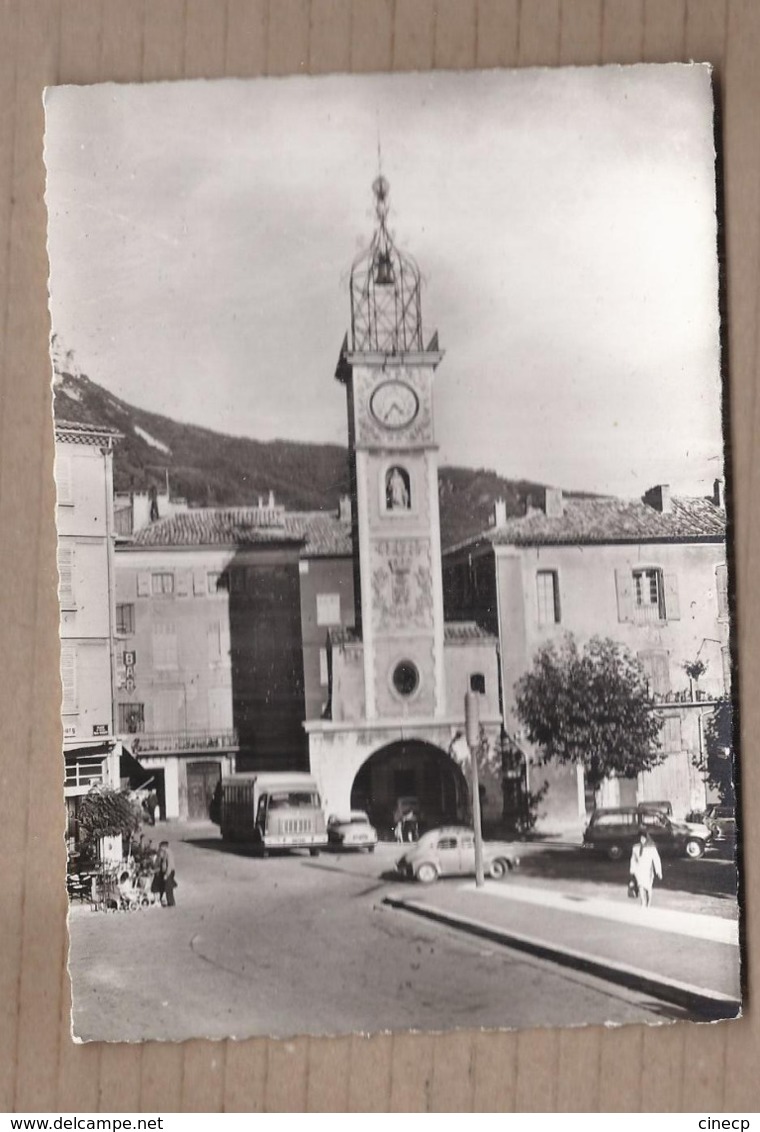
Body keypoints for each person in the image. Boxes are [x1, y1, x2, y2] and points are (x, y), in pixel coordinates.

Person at [629, 831, 662, 908]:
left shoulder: (652, 848)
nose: (642, 840)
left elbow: (656, 860)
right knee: (640, 886)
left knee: (648, 887)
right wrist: (632, 870)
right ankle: (643, 902)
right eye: (640, 838)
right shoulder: (635, 847)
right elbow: (633, 859)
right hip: (639, 870)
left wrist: (658, 871)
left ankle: (649, 903)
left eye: (643, 838)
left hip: (648, 870)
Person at [156, 840, 177, 908]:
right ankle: (169, 901)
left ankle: (171, 902)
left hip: (169, 872)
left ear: (164, 847)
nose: (160, 848)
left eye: (161, 847)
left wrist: (166, 874)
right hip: (166, 871)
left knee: (168, 887)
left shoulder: (168, 853)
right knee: (166, 886)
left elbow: (169, 865)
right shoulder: (164, 853)